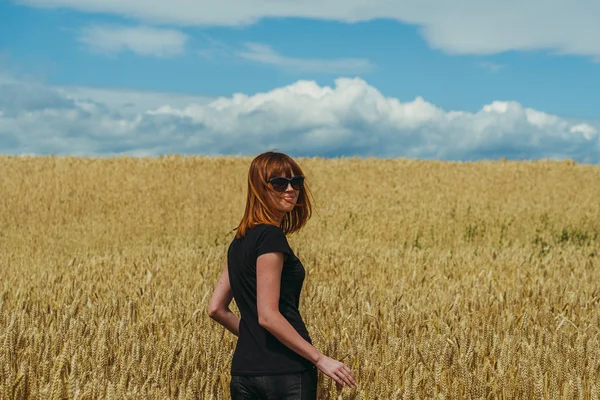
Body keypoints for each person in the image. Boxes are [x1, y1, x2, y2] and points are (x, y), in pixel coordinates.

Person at [208, 150, 358, 399]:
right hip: (286, 372)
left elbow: (216, 308)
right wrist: (320, 359)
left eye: (296, 182)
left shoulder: (238, 242)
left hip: (244, 374)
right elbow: (268, 315)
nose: (291, 189)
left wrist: (253, 338)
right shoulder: (271, 237)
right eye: (279, 183)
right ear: (259, 188)